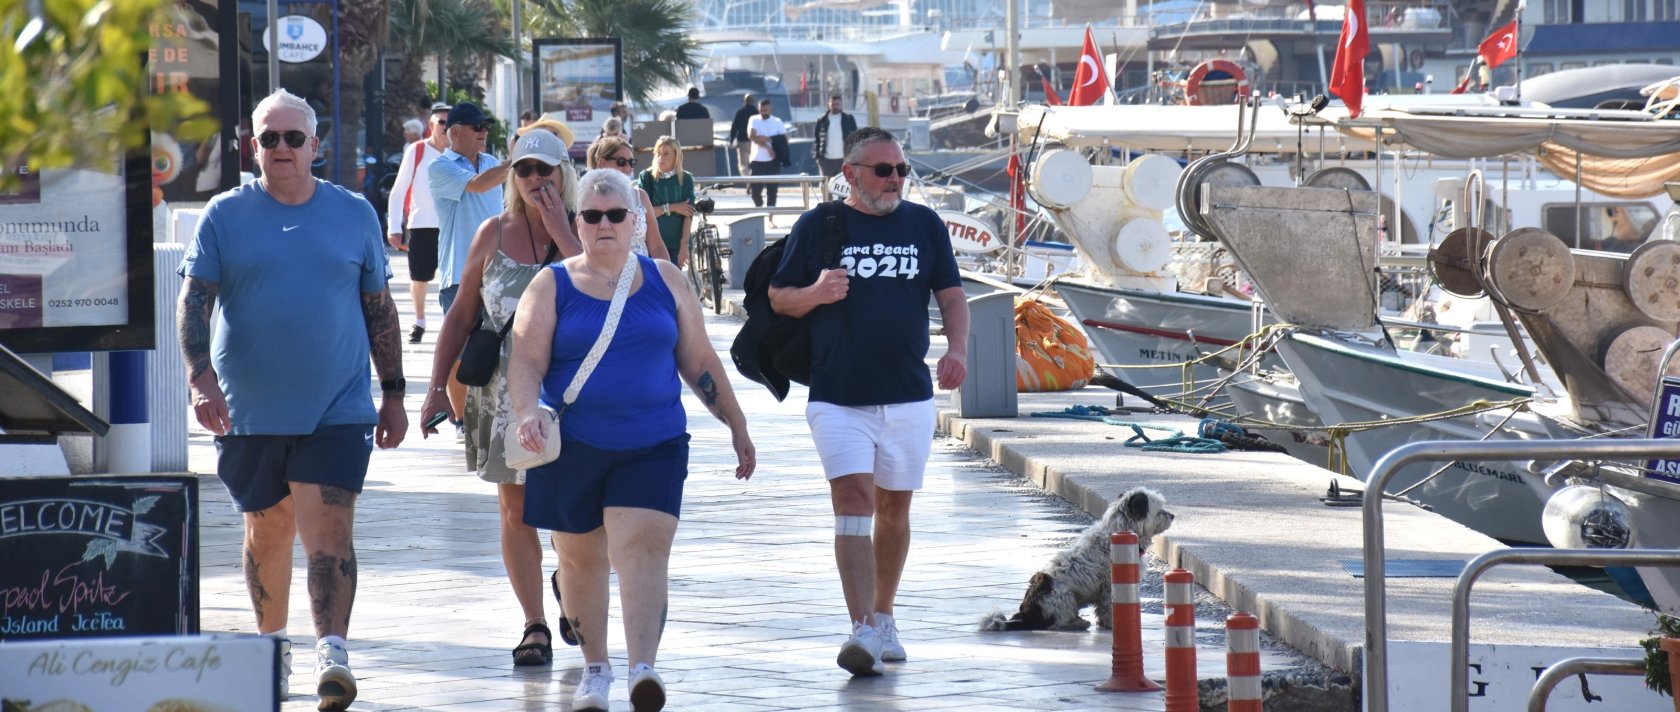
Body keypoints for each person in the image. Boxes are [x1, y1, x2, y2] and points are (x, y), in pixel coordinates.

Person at [178, 89, 407, 709]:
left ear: (315, 146)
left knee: (329, 530)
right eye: (270, 139)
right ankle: (272, 651)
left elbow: (379, 307)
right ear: (253, 147)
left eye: (293, 138)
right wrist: (200, 378)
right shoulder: (224, 214)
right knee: (269, 531)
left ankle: (332, 653)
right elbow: (194, 301)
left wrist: (393, 392)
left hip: (338, 406)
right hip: (248, 409)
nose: (282, 148)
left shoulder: (353, 213)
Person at [506, 168, 756, 711]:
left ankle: (644, 667)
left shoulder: (666, 280)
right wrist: (527, 411)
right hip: (572, 447)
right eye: (592, 216)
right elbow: (525, 360)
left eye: (616, 215)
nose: (604, 224)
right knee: (580, 560)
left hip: (653, 442)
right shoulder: (551, 285)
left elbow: (699, 360)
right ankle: (596, 668)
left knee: (643, 549)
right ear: (578, 222)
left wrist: (736, 424)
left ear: (635, 221)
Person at [767, 127, 969, 677]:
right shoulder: (820, 225)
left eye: (901, 170)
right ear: (851, 174)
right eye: (883, 170)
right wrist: (816, 294)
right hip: (838, 395)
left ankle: (884, 615)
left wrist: (958, 349)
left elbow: (952, 295)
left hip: (908, 395)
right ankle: (860, 629)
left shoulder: (924, 224)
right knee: (853, 501)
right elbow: (778, 297)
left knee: (894, 510)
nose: (894, 179)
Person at [419, 127, 582, 667]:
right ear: (512, 176)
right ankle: (534, 623)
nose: (534, 179)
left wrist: (563, 233)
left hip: (570, 394)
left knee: (570, 507)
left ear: (563, 174)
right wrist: (435, 388)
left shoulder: (589, 227)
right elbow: (461, 314)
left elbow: (604, 295)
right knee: (516, 510)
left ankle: (571, 583)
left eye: (544, 170)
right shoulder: (492, 232)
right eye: (524, 170)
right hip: (502, 395)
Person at [429, 102, 509, 441]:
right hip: (458, 275)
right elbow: (477, 185)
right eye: (477, 126)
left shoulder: (492, 163)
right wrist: (516, 162)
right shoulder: (440, 166)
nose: (484, 131)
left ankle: (494, 416)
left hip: (498, 275)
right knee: (459, 354)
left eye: (486, 126)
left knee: (500, 351)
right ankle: (462, 422)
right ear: (455, 132)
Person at [387, 102, 453, 344]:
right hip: (421, 225)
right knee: (419, 277)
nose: (446, 127)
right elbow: (398, 190)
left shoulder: (460, 154)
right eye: (441, 122)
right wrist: (394, 227)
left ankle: (452, 323)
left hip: (452, 226)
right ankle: (419, 321)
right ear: (431, 125)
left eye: (450, 122)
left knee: (454, 279)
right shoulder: (417, 151)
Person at [586, 136, 672, 262]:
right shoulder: (588, 199)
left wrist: (668, 272)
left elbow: (656, 245)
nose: (628, 167)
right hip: (605, 272)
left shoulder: (640, 196)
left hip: (641, 271)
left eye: (632, 162)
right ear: (602, 163)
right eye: (621, 161)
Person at [638, 136, 696, 268]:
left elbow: (688, 214)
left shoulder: (686, 179)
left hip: (676, 244)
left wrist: (684, 245)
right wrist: (673, 207)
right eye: (658, 153)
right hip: (651, 244)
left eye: (666, 154)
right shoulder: (646, 177)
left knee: (672, 279)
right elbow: (645, 213)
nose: (661, 158)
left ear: (676, 156)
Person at [746, 99, 786, 208]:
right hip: (757, 160)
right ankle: (759, 209)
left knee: (772, 192)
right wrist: (767, 146)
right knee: (755, 192)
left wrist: (766, 138)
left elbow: (784, 139)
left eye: (765, 110)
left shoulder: (777, 122)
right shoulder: (754, 119)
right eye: (761, 110)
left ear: (770, 109)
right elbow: (752, 136)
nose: (763, 112)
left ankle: (770, 215)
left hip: (773, 161)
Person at [813, 94, 858, 179]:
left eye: (837, 104)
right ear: (829, 105)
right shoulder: (822, 120)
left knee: (843, 183)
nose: (835, 106)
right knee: (826, 184)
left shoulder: (848, 119)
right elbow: (817, 140)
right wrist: (818, 157)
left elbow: (855, 137)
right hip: (826, 160)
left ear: (841, 104)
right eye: (833, 104)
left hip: (844, 159)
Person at [728, 94, 756, 177]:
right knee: (754, 163)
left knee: (743, 165)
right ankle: (754, 179)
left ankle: (747, 180)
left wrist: (731, 141)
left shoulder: (740, 112)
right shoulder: (757, 113)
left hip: (742, 142)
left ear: (744, 101)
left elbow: (734, 127)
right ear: (753, 101)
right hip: (755, 142)